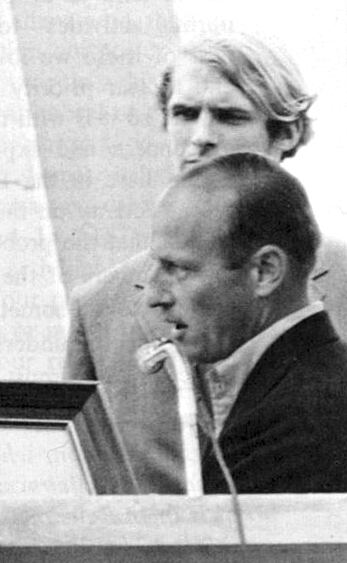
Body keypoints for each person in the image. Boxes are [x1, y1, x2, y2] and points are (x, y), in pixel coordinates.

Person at [64, 34, 347, 493]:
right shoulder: (99, 307)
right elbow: (79, 483)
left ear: (287, 132)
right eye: (184, 113)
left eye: (229, 116)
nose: (200, 137)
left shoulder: (343, 277)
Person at [145, 152, 346, 493]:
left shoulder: (297, 423)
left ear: (265, 271)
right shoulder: (302, 391)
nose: (153, 295)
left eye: (177, 268)